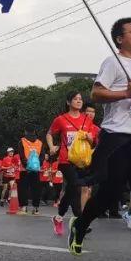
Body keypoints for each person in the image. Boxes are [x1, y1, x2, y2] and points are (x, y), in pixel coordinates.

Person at [67, 17, 131, 261]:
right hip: (116, 138)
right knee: (109, 194)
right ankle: (80, 224)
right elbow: (96, 94)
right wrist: (125, 93)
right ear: (120, 39)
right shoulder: (112, 62)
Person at [47, 91, 98, 235]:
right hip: (65, 159)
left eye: (80, 99)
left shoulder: (86, 120)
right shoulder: (61, 119)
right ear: (68, 102)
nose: (79, 101)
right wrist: (51, 147)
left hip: (81, 160)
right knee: (75, 185)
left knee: (73, 187)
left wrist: (89, 138)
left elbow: (92, 140)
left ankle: (59, 218)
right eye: (75, 99)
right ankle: (79, 221)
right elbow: (50, 133)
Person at [19, 130, 45, 214]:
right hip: (36, 169)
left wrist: (26, 164)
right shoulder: (40, 143)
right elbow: (42, 156)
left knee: (23, 188)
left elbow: (21, 155)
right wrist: (37, 165)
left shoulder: (22, 141)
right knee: (36, 188)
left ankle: (24, 207)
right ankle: (36, 208)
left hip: (25, 169)